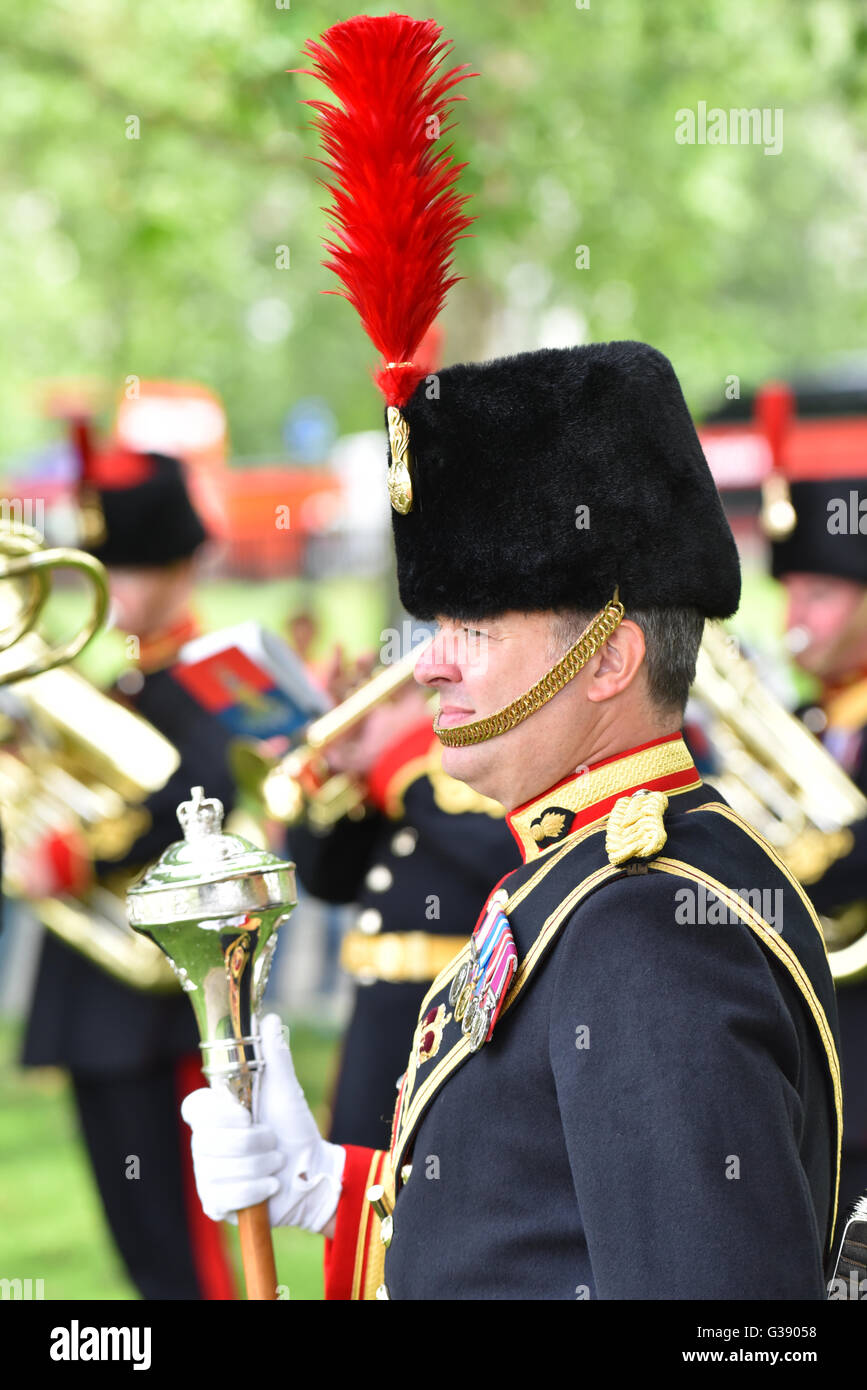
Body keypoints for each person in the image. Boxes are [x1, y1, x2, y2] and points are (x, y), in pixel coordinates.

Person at [181, 340, 842, 1300]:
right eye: (436, 626)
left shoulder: (648, 934)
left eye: (472, 628)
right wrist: (335, 1191)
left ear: (608, 662)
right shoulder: (587, 870)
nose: (430, 665)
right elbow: (538, 1236)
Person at [21, 446, 237, 1300]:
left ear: (184, 564)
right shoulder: (123, 679)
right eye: (108, 566)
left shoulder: (212, 671)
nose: (116, 589)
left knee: (188, 1255)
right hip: (92, 1000)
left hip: (161, 1005)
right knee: (141, 1256)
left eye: (135, 568)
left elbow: (201, 793)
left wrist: (82, 851)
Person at [286, 649, 518, 1148]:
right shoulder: (393, 781)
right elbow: (327, 880)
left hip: (458, 1017)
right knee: (362, 1186)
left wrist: (400, 757)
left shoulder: (458, 760)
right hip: (376, 1021)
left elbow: (502, 852)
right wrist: (337, 769)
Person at [752, 375, 867, 1215]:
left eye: (821, 594)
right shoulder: (796, 721)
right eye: (790, 592)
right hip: (801, 1082)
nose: (798, 615)